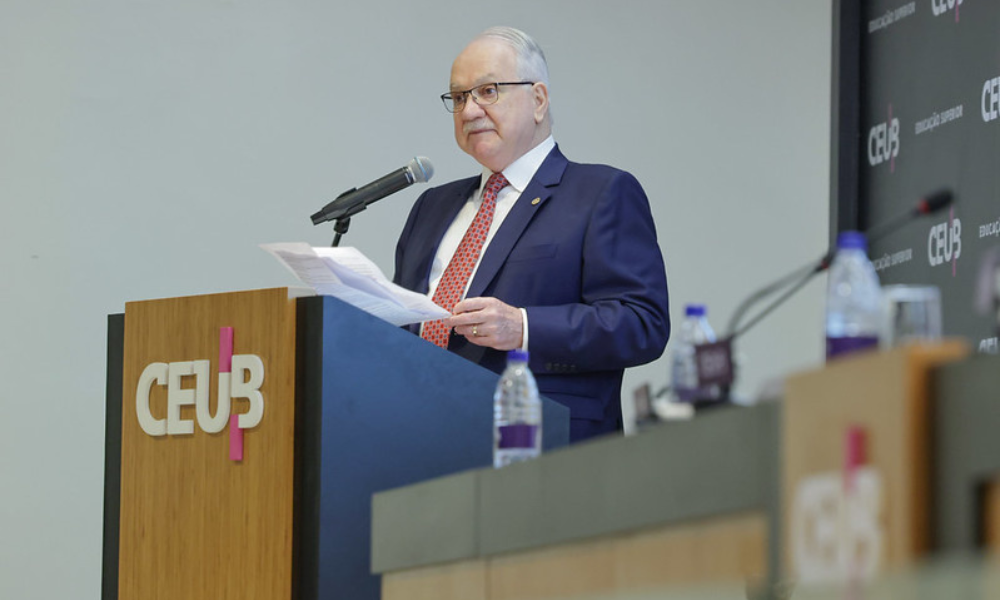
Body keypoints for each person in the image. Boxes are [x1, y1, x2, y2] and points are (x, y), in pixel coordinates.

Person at [393, 26, 670, 442]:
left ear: (538, 100)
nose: (469, 111)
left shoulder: (599, 193)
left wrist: (523, 326)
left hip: (543, 446)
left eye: (488, 91)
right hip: (422, 439)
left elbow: (641, 323)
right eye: (459, 97)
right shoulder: (431, 208)